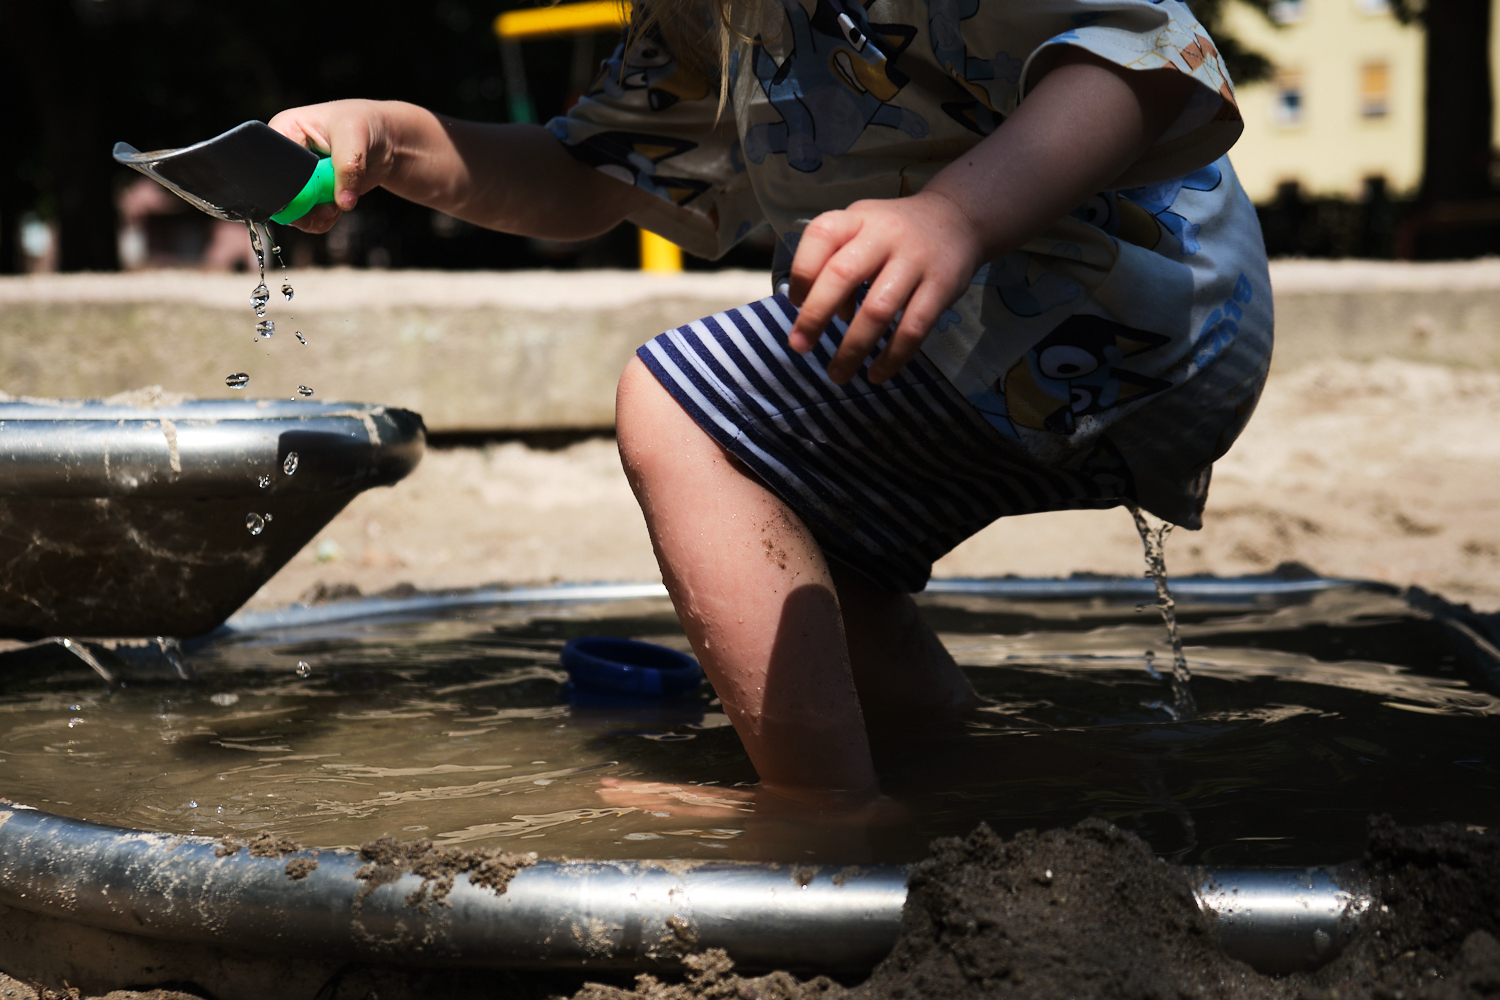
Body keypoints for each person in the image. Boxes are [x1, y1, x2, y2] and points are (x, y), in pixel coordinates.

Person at [272, 0, 1271, 821]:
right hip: (1045, 334)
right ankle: (947, 763)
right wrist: (395, 143)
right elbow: (588, 177)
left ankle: (823, 807)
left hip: (1123, 298)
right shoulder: (706, 18)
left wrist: (957, 216)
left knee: (680, 406)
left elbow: (1136, 64)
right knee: (806, 540)